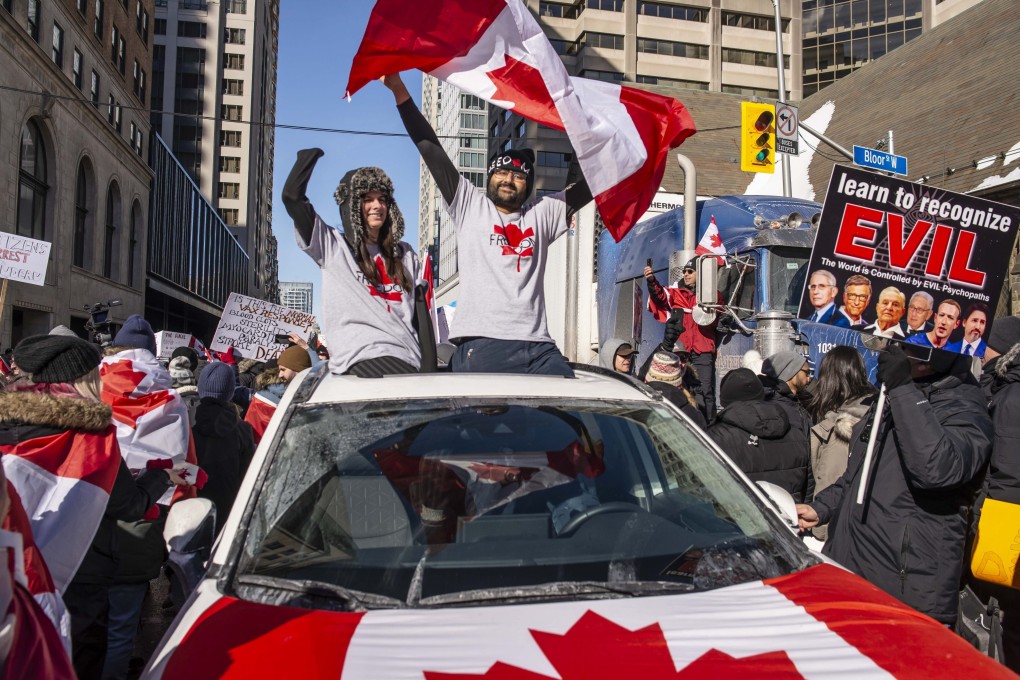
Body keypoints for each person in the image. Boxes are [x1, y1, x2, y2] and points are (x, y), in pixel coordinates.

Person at [382, 72, 592, 377]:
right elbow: (430, 148)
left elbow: (594, 184)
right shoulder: (470, 204)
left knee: (568, 414)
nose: (509, 179)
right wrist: (399, 90)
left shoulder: (543, 214)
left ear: (528, 186)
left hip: (538, 347)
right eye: (502, 173)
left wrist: (642, 147)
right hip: (483, 344)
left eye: (519, 176)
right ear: (489, 178)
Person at [0, 334, 186, 679]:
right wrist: (161, 476)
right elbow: (128, 505)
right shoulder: (91, 436)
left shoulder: (7, 422)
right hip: (80, 572)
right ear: (81, 377)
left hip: (12, 566)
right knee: (77, 655)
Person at [796, 345, 993, 626]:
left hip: (906, 589)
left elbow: (937, 469)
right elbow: (859, 475)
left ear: (930, 357)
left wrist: (902, 389)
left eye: (905, 348)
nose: (892, 352)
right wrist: (822, 508)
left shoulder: (964, 406)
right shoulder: (888, 398)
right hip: (852, 571)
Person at [282, 148, 424, 377]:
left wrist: (428, 370)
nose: (377, 206)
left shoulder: (405, 254)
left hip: (407, 364)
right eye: (368, 199)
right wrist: (307, 159)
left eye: (382, 199)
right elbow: (292, 197)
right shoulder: (332, 246)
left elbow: (421, 316)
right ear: (351, 206)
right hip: (358, 362)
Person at [972, 315, 1020, 670]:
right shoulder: (1004, 389)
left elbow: (1004, 468)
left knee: (1007, 614)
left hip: (1005, 517)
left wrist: (982, 510)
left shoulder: (1009, 398)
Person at [706, 368, 812, 501]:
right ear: (761, 394)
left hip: (736, 518)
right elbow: (808, 491)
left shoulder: (713, 439)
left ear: (724, 401)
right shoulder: (797, 435)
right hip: (786, 518)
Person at [803, 347, 875, 541]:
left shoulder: (843, 424)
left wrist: (820, 530)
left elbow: (829, 477)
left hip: (834, 531)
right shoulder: (873, 411)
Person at [644, 259, 720, 420]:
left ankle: (708, 425)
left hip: (702, 350)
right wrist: (651, 281)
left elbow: (719, 315)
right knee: (677, 387)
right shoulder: (676, 293)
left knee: (705, 390)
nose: (685, 274)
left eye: (690, 271)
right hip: (681, 350)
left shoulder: (712, 294)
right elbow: (659, 296)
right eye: (684, 271)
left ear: (701, 273)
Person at [193, 362, 256, 535]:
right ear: (230, 392)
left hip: (189, 506)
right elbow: (247, 475)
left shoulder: (185, 421)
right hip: (227, 510)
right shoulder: (243, 429)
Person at [244, 348, 309, 444]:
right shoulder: (280, 397)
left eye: (283, 370)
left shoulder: (300, 395)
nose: (280, 375)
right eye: (279, 370)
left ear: (298, 369)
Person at [644, 351, 707, 429]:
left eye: (684, 358)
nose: (681, 363)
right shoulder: (692, 414)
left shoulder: (636, 403)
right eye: (678, 358)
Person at [760, 351, 813, 443]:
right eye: (806, 372)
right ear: (792, 371)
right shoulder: (774, 405)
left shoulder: (796, 402)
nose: (809, 378)